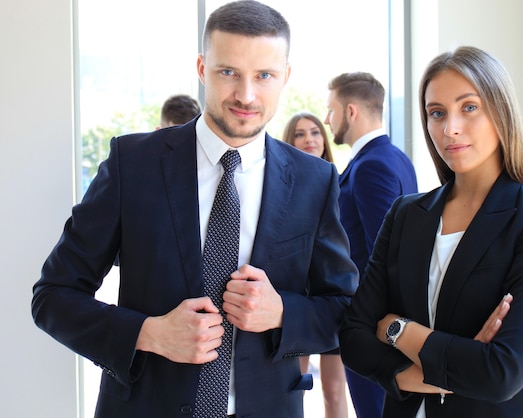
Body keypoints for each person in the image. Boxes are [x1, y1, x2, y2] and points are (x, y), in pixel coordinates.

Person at [31, 2, 358, 418]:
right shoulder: (132, 164)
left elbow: (345, 311)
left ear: (285, 78)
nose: (246, 94)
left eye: (264, 76)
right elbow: (53, 296)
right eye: (228, 72)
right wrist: (147, 334)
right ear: (202, 69)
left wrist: (283, 314)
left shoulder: (316, 180)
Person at [339, 46, 523, 418]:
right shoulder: (405, 214)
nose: (449, 128)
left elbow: (500, 373)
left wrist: (397, 329)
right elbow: (353, 337)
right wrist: (436, 376)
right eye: (437, 113)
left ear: (500, 111)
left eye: (469, 107)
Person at [325, 72, 418, 418]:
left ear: (351, 111)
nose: (327, 119)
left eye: (331, 109)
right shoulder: (396, 157)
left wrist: (365, 326)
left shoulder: (370, 167)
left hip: (372, 326)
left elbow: (385, 254)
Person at [283, 111, 349, 418]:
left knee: (335, 389)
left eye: (314, 132)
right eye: (299, 134)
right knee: (293, 385)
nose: (309, 139)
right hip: (296, 298)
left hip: (331, 297)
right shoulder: (281, 185)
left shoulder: (338, 179)